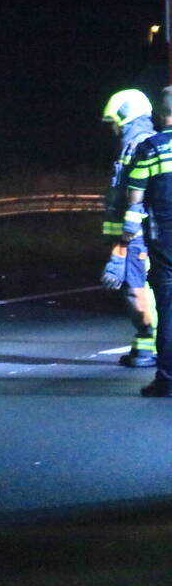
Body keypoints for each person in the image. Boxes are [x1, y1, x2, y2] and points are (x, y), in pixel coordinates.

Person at [100, 89, 158, 367]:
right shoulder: (133, 145)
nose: (112, 128)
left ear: (126, 117)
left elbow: (137, 195)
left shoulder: (140, 145)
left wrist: (123, 241)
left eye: (114, 121)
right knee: (141, 289)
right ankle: (145, 344)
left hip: (136, 235)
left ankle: (151, 345)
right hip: (132, 234)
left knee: (138, 290)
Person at [124, 86, 172, 396]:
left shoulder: (150, 147)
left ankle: (167, 380)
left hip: (165, 239)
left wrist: (127, 234)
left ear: (158, 114)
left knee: (167, 310)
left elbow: (135, 197)